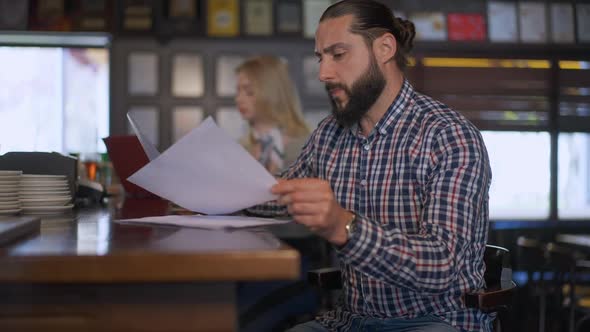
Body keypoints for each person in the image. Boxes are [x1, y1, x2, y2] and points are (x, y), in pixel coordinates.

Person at [247, 1, 493, 331]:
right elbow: (279, 196)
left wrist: (344, 227)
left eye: (339, 54)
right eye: (321, 57)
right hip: (350, 320)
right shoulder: (330, 134)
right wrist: (198, 195)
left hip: (436, 321)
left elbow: (443, 265)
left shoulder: (449, 136)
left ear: (384, 49)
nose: (324, 73)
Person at [235, 55, 311, 173]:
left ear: (272, 93)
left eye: (249, 92)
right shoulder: (238, 149)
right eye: (238, 91)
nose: (239, 99)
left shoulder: (308, 147)